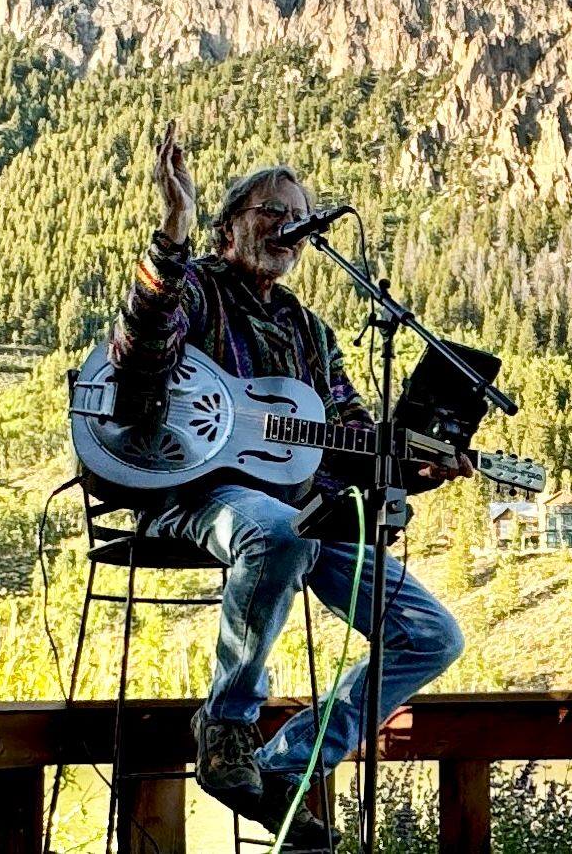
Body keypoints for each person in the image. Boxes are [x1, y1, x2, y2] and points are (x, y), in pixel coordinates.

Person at [108, 120, 470, 848]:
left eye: (297, 215)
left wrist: (417, 467)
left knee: (432, 636)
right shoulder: (195, 289)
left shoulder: (310, 331)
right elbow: (138, 352)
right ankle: (227, 724)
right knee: (276, 532)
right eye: (270, 210)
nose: (287, 225)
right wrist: (172, 230)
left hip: (301, 511)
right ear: (227, 227)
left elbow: (350, 439)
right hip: (191, 491)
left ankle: (286, 764)